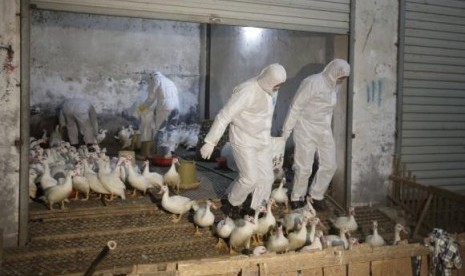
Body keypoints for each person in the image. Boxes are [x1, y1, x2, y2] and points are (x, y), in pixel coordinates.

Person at [200, 63, 287, 218]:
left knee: (267, 177)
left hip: (263, 139)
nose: (278, 88)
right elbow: (224, 116)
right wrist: (210, 142)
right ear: (268, 79)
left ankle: (256, 208)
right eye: (277, 84)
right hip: (244, 139)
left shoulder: (272, 88)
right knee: (250, 178)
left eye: (280, 85)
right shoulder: (247, 91)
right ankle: (231, 203)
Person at [281, 59, 350, 211]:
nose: (342, 80)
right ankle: (297, 197)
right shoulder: (312, 82)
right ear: (332, 71)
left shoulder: (335, 86)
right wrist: (286, 132)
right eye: (340, 77)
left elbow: (328, 110)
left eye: (344, 78)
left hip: (323, 129)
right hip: (305, 128)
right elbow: (296, 106)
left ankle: (316, 195)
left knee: (330, 165)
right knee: (304, 167)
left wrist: (326, 128)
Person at [138, 72, 180, 157]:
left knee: (159, 129)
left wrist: (142, 107)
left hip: (165, 107)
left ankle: (158, 152)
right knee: (171, 129)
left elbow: (151, 97)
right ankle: (170, 151)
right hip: (176, 107)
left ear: (152, 77)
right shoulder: (169, 81)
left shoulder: (156, 80)